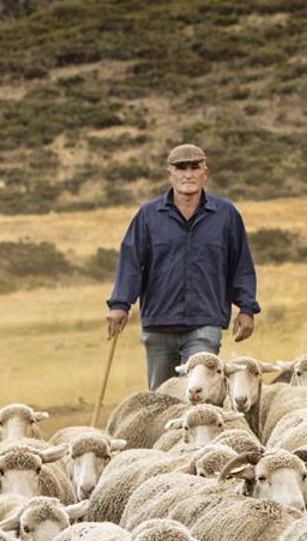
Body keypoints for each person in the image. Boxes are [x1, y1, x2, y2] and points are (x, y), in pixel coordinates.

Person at [106, 143, 260, 391]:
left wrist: (246, 307)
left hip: (205, 322)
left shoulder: (226, 215)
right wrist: (119, 304)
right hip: (159, 322)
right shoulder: (148, 215)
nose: (188, 174)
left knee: (197, 394)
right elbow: (131, 262)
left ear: (204, 172)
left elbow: (240, 264)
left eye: (194, 167)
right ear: (170, 173)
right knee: (161, 400)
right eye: (181, 168)